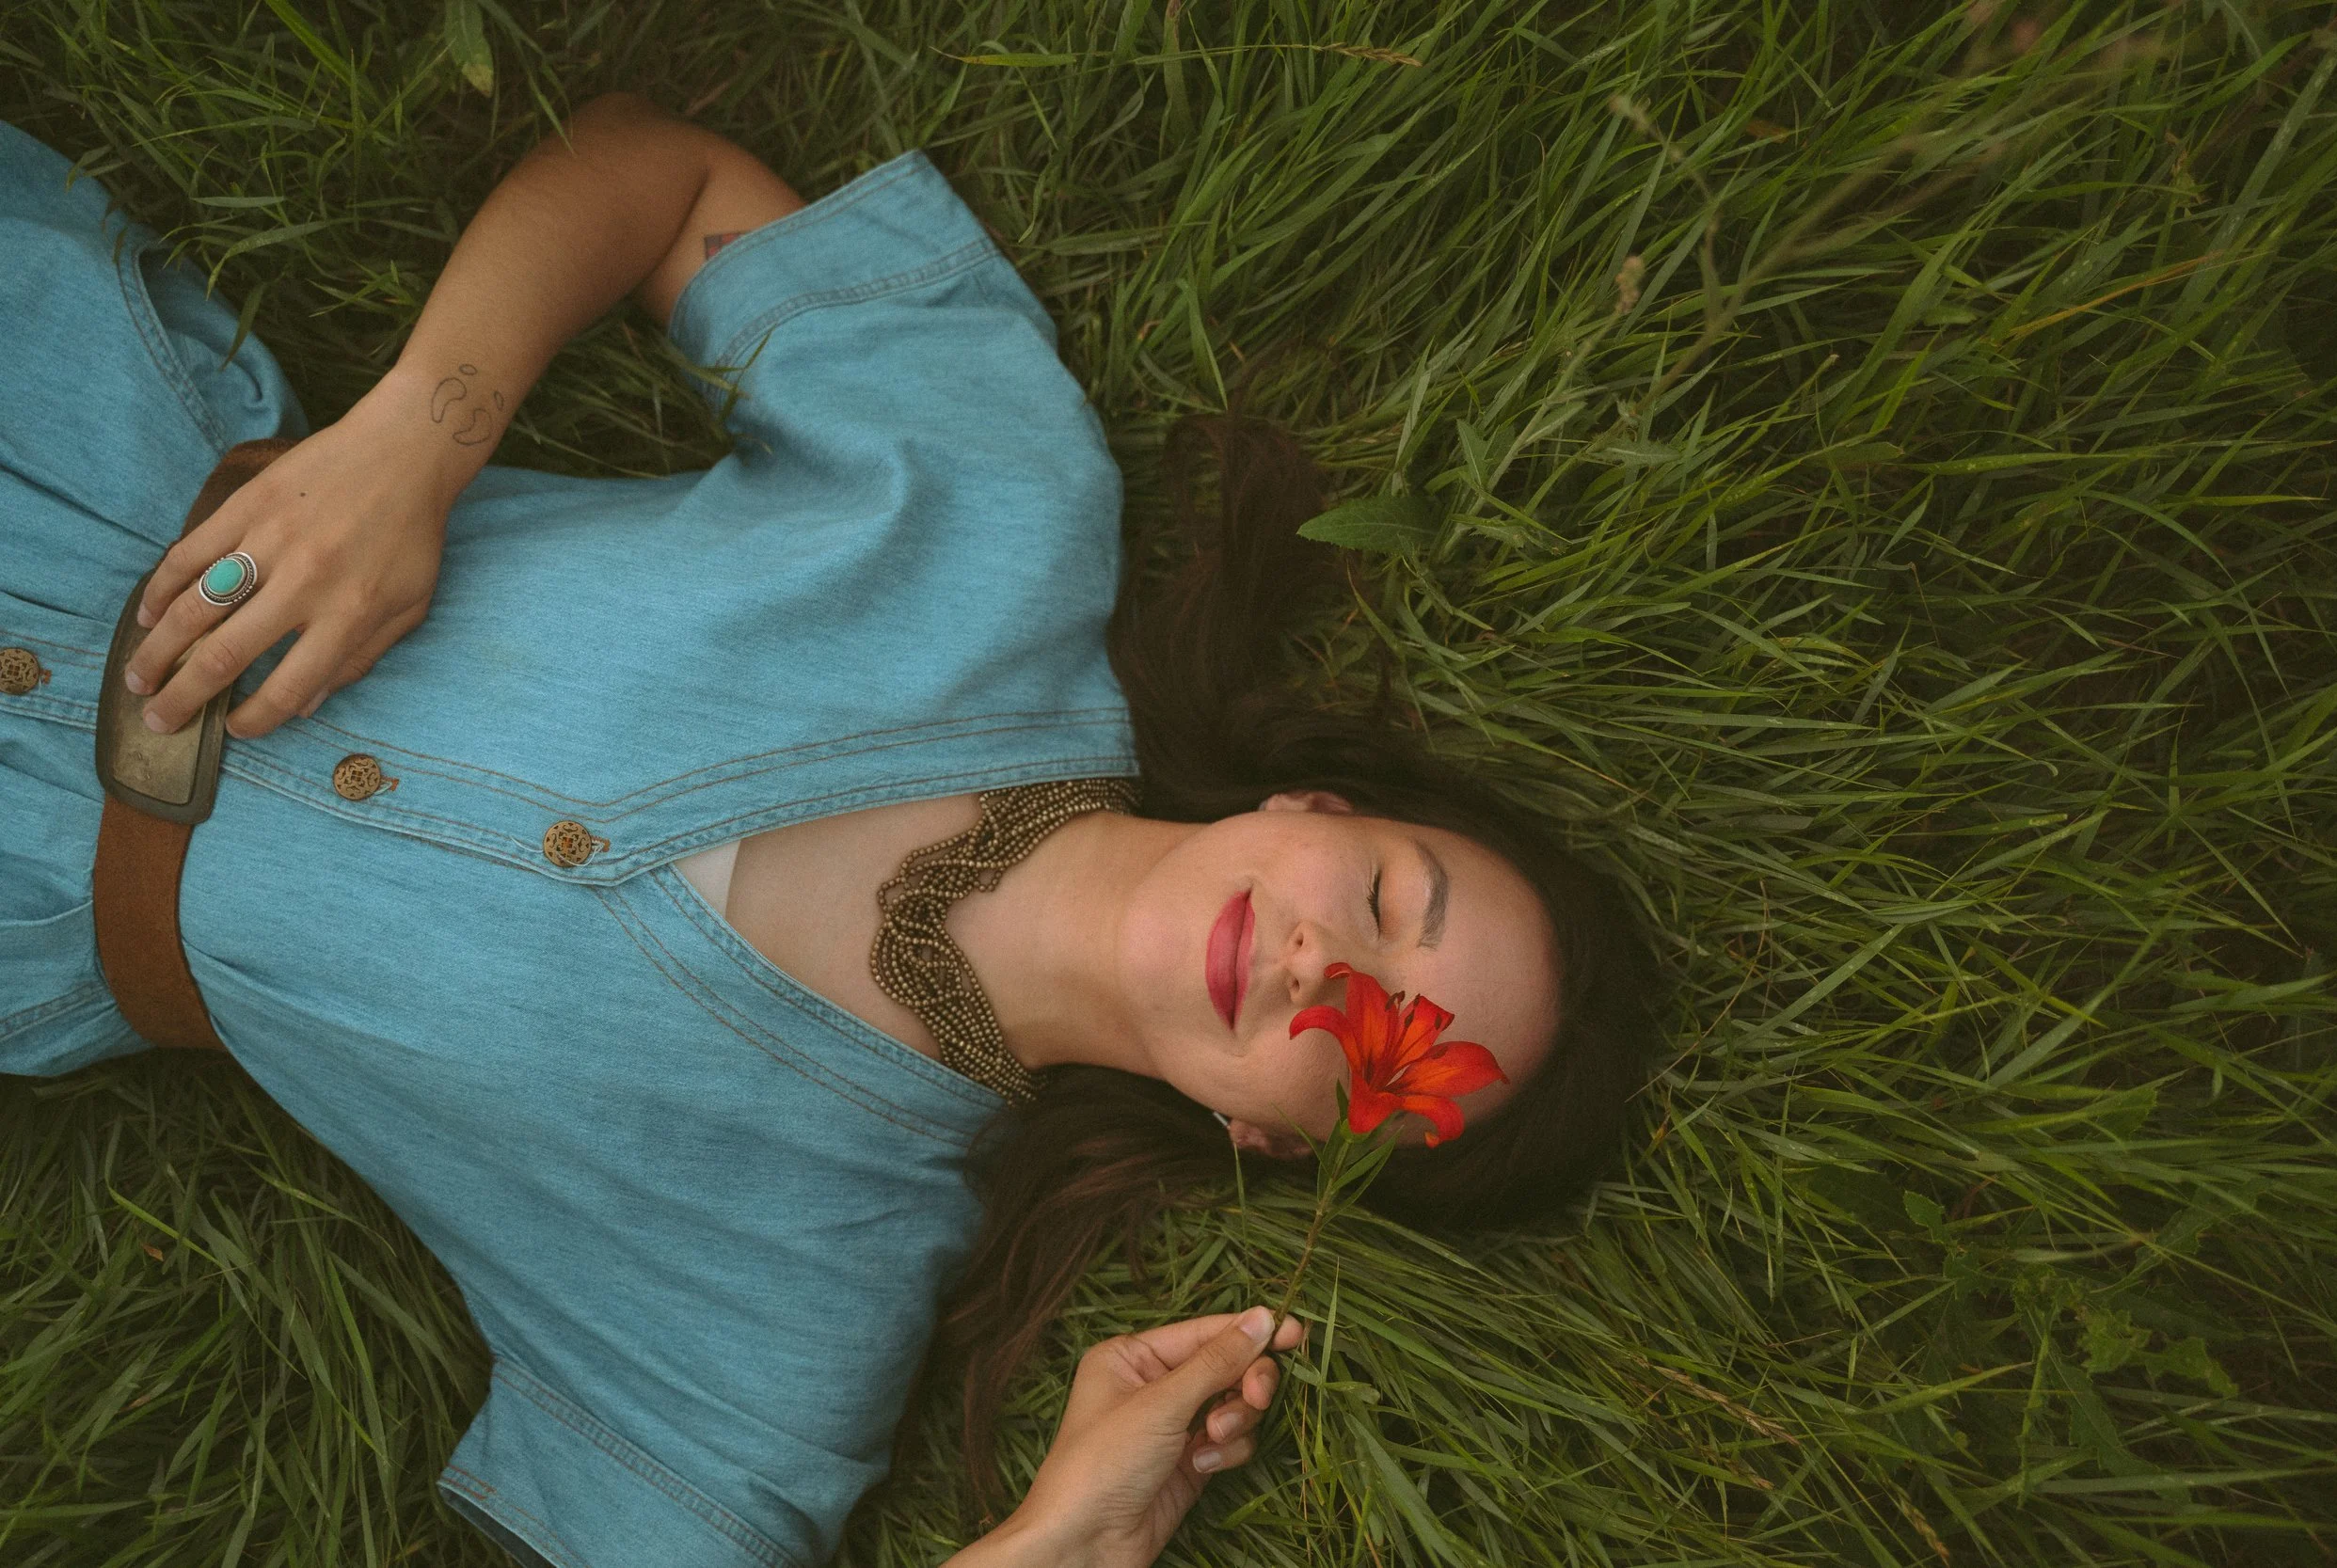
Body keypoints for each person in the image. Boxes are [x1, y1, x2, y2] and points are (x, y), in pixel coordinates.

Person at [0, 90, 1652, 1567]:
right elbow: (652, 172)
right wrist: (415, 443)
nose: (1318, 966)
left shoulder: (801, 1290)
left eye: (1372, 1054)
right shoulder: (1004, 518)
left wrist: (1056, 1546)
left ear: (1276, 1144)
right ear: (1316, 807)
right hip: (68, 421)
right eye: (1388, 900)